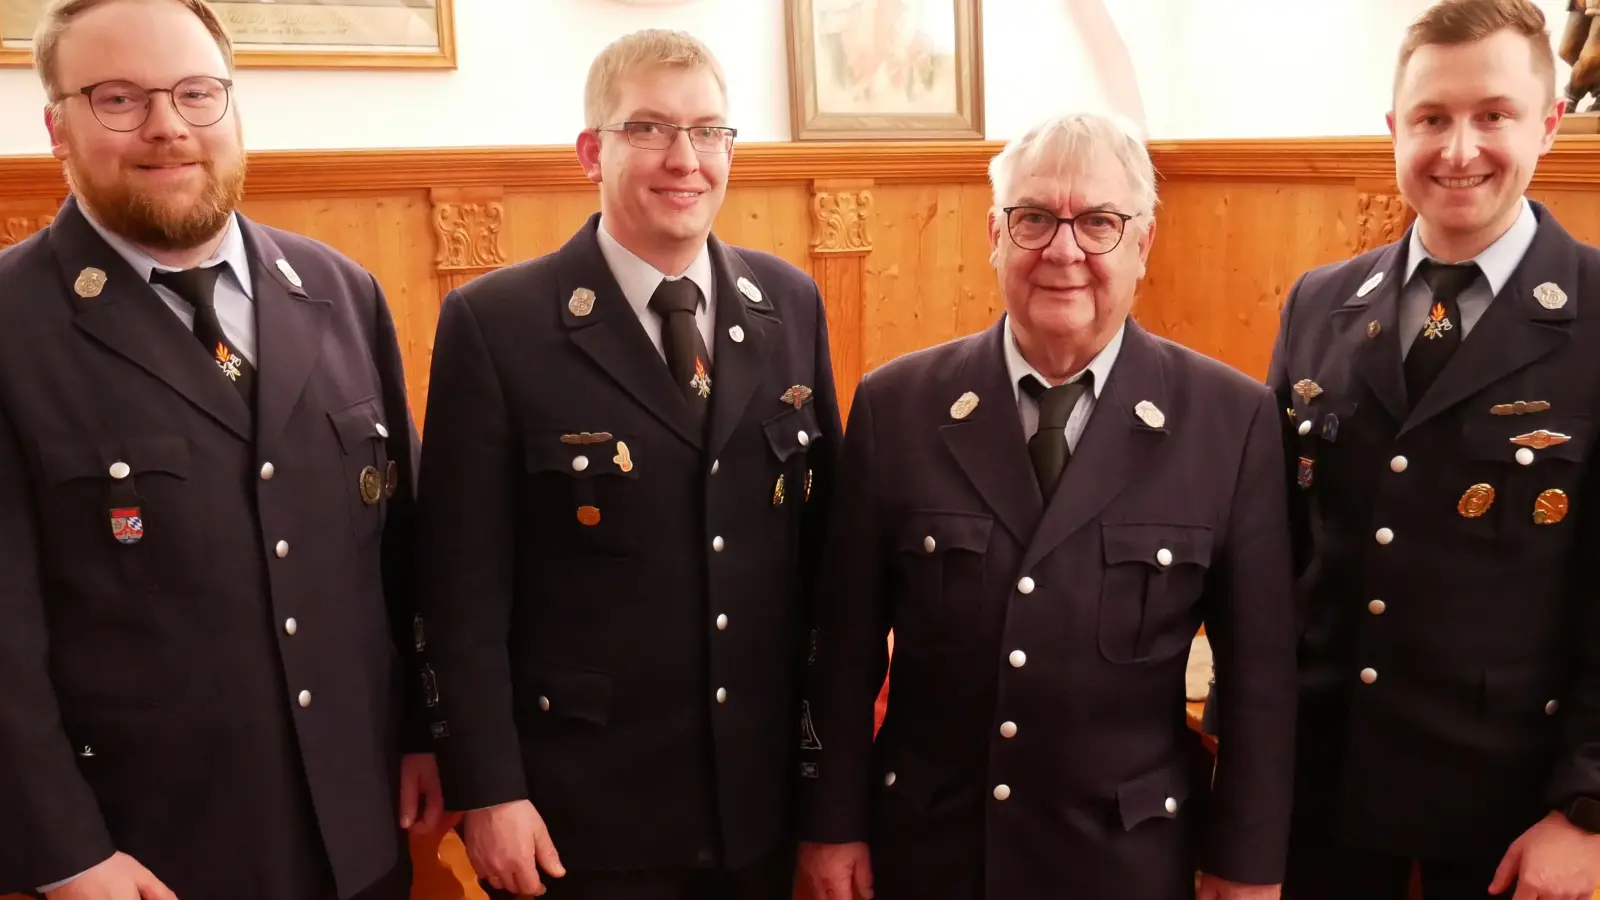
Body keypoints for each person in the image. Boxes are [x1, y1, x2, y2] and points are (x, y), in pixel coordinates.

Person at [0, 0, 445, 897]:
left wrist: (421, 733)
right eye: (118, 99)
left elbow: (400, 558)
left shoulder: (339, 290)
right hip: (148, 854)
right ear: (58, 127)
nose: (168, 128)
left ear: (233, 106)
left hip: (361, 833)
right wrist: (64, 853)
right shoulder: (13, 325)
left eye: (197, 93)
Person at [793, 112, 1297, 900]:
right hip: (933, 854)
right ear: (995, 235)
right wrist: (830, 824)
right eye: (1034, 219)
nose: (1064, 251)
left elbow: (1261, 677)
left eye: (1099, 221)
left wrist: (1246, 868)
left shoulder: (1229, 420)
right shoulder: (898, 408)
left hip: (1126, 863)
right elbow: (845, 648)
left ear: (1144, 242)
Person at [413, 28, 842, 900]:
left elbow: (823, 563)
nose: (685, 158)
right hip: (582, 817)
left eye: (710, 132)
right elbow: (458, 593)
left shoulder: (788, 304)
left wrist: (824, 790)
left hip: (755, 806)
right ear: (591, 151)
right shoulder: (499, 325)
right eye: (649, 129)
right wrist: (489, 789)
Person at [1268, 1, 1600, 897]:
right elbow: (1274, 551)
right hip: (1323, 795)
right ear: (1393, 130)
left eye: (1493, 114)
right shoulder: (1319, 304)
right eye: (1431, 118)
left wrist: (1588, 812)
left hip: (1510, 817)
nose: (1459, 149)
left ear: (1548, 124)